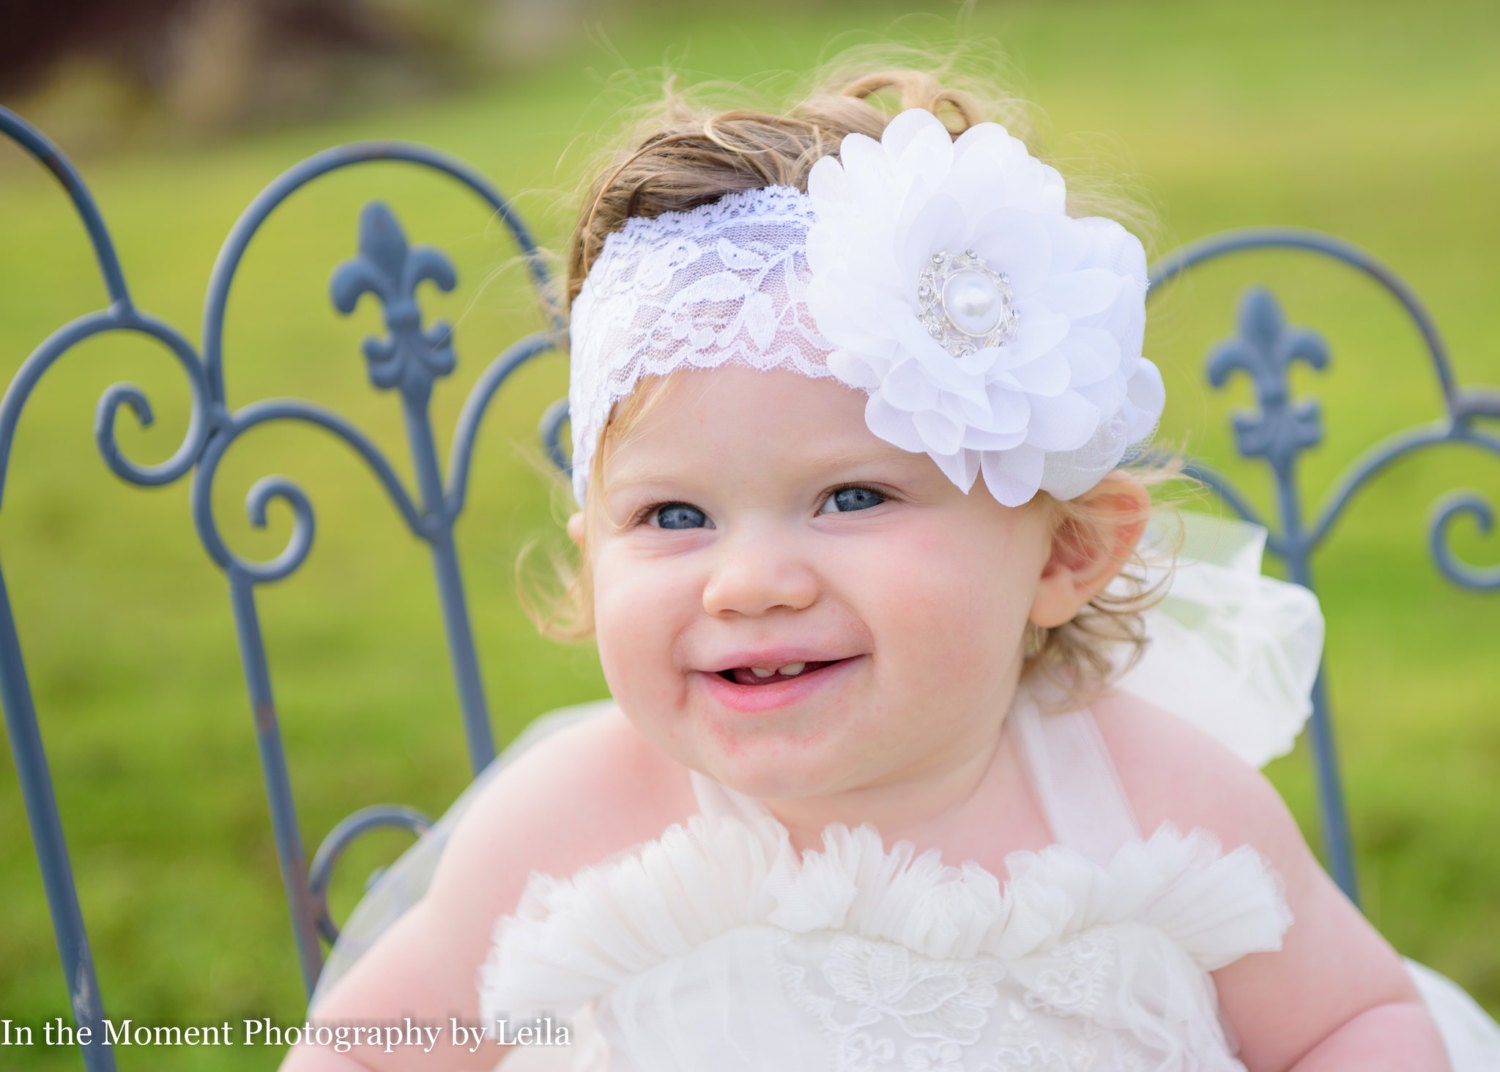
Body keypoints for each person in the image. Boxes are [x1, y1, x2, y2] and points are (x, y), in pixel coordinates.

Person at [282, 61, 1500, 1071]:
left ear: (1063, 552)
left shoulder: (1148, 797)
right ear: (591, 548)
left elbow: (1352, 1021)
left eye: (851, 495)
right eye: (672, 516)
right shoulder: (577, 820)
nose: (747, 580)